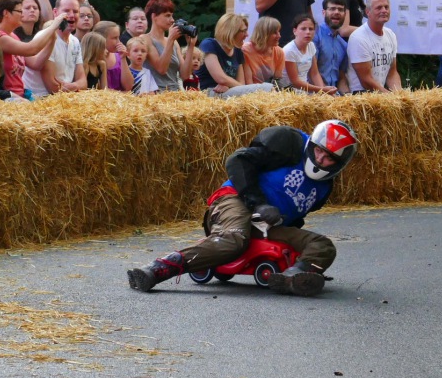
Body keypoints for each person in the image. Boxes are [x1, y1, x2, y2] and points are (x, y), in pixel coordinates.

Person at [127, 119, 360, 297]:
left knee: (322, 245)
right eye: (319, 151)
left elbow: (296, 220)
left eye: (329, 158)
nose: (320, 160)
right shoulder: (288, 142)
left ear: (339, 163)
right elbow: (237, 160)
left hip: (267, 223)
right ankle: (158, 269)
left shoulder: (324, 188)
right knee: (236, 240)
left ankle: (293, 277)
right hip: (235, 200)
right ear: (312, 145)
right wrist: (258, 203)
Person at [23, 0, 86, 98]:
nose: (71, 15)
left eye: (75, 11)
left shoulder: (75, 41)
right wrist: (76, 86)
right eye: (66, 11)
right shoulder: (44, 37)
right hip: (40, 98)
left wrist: (72, 85)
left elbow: (83, 82)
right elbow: (52, 87)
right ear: (55, 13)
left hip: (64, 98)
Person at [196, 12, 273, 97]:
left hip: (228, 91)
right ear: (231, 31)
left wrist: (230, 87)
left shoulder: (237, 51)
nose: (247, 35)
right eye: (243, 31)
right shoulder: (209, 44)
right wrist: (236, 87)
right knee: (266, 88)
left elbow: (241, 83)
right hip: (210, 92)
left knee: (266, 89)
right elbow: (220, 78)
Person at [347, 0, 401, 93]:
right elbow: (366, 80)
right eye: (379, 8)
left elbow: (392, 73)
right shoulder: (358, 38)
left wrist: (399, 95)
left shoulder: (391, 35)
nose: (384, 10)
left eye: (386, 7)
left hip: (380, 94)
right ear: (368, 12)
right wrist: (389, 97)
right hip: (361, 95)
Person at [144, 0, 196, 92]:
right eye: (167, 15)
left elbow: (185, 75)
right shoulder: (145, 39)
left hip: (175, 93)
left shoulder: (174, 42)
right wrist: (171, 40)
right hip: (155, 93)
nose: (172, 20)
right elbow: (161, 69)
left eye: (172, 16)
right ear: (154, 16)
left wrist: (191, 46)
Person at [284, 14, 335, 94]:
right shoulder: (289, 51)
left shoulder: (311, 45)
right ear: (295, 31)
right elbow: (295, 82)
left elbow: (314, 73)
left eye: (311, 29)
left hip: (305, 93)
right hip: (290, 94)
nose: (308, 32)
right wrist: (322, 90)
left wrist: (324, 93)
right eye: (303, 29)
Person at [313, 0, 350, 94]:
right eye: (332, 9)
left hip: (334, 97)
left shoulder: (344, 45)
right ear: (323, 12)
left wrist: (348, 97)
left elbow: (341, 76)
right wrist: (326, 94)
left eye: (340, 9)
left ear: (345, 15)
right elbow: (311, 71)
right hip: (313, 95)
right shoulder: (315, 35)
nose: (337, 12)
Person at [242, 16, 285, 86]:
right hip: (252, 92)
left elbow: (277, 80)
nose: (279, 36)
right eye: (274, 33)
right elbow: (248, 83)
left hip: (270, 92)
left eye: (279, 32)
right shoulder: (245, 51)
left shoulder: (279, 52)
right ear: (264, 34)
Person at [94, 19, 132, 91]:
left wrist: (123, 59)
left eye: (118, 37)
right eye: (115, 38)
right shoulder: (93, 59)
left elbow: (128, 87)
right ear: (102, 38)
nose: (119, 42)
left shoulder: (118, 57)